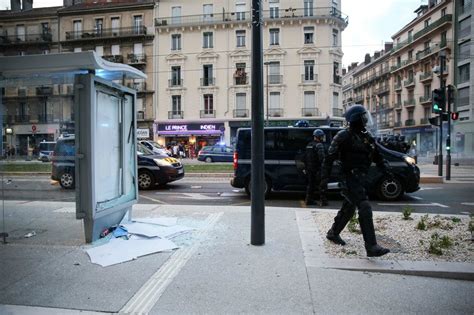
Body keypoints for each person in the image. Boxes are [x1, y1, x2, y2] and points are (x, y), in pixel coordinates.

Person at [321, 105, 391, 257]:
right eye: (363, 116)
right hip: (347, 176)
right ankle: (371, 246)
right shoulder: (343, 136)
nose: (365, 119)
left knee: (350, 207)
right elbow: (329, 158)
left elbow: (377, 154)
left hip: (360, 177)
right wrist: (323, 180)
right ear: (356, 119)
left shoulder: (366, 136)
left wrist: (384, 167)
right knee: (364, 207)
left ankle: (333, 233)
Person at [304, 129, 328, 206]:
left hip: (309, 168)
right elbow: (322, 158)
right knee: (322, 185)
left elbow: (305, 157)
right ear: (319, 137)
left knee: (311, 185)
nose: (322, 138)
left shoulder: (309, 145)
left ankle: (308, 200)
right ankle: (323, 201)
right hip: (317, 169)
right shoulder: (319, 145)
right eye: (322, 136)